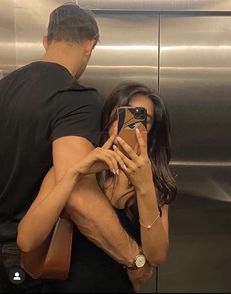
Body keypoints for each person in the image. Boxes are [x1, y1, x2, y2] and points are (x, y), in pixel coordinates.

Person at [0, 4, 144, 293]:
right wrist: (134, 258)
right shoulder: (74, 97)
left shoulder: (4, 88)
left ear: (46, 40)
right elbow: (78, 196)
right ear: (90, 46)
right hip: (33, 262)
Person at [17, 82, 177, 293]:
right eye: (122, 115)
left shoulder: (155, 183)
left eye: (142, 120)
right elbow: (27, 241)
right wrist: (75, 173)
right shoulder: (74, 166)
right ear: (108, 119)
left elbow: (156, 256)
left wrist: (144, 184)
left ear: (151, 131)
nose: (130, 127)